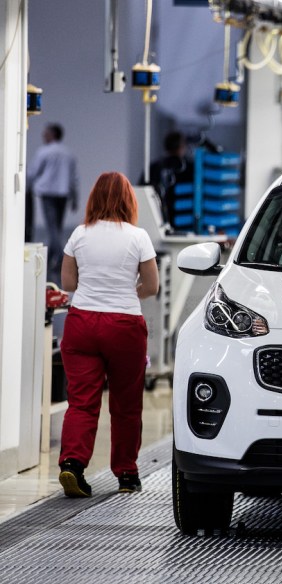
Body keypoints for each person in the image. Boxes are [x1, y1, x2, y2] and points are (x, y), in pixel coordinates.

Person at [57, 172, 160, 498]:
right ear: (129, 201)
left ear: (94, 199)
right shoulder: (138, 236)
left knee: (82, 402)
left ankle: (72, 464)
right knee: (126, 405)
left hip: (82, 322)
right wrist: (129, 292)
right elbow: (153, 286)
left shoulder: (79, 234)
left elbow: (69, 284)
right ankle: (127, 474)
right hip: (124, 325)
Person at [27, 123, 79, 276]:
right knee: (57, 227)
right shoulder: (68, 153)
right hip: (63, 193)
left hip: (48, 193)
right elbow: (74, 178)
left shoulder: (44, 152)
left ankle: (62, 259)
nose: (43, 135)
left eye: (46, 133)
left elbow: (33, 172)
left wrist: (26, 188)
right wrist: (75, 197)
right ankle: (52, 260)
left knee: (52, 229)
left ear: (52, 134)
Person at [146, 131, 193, 228]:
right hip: (184, 222)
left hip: (159, 220)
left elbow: (144, 189)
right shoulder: (191, 168)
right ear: (182, 147)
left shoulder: (154, 167)